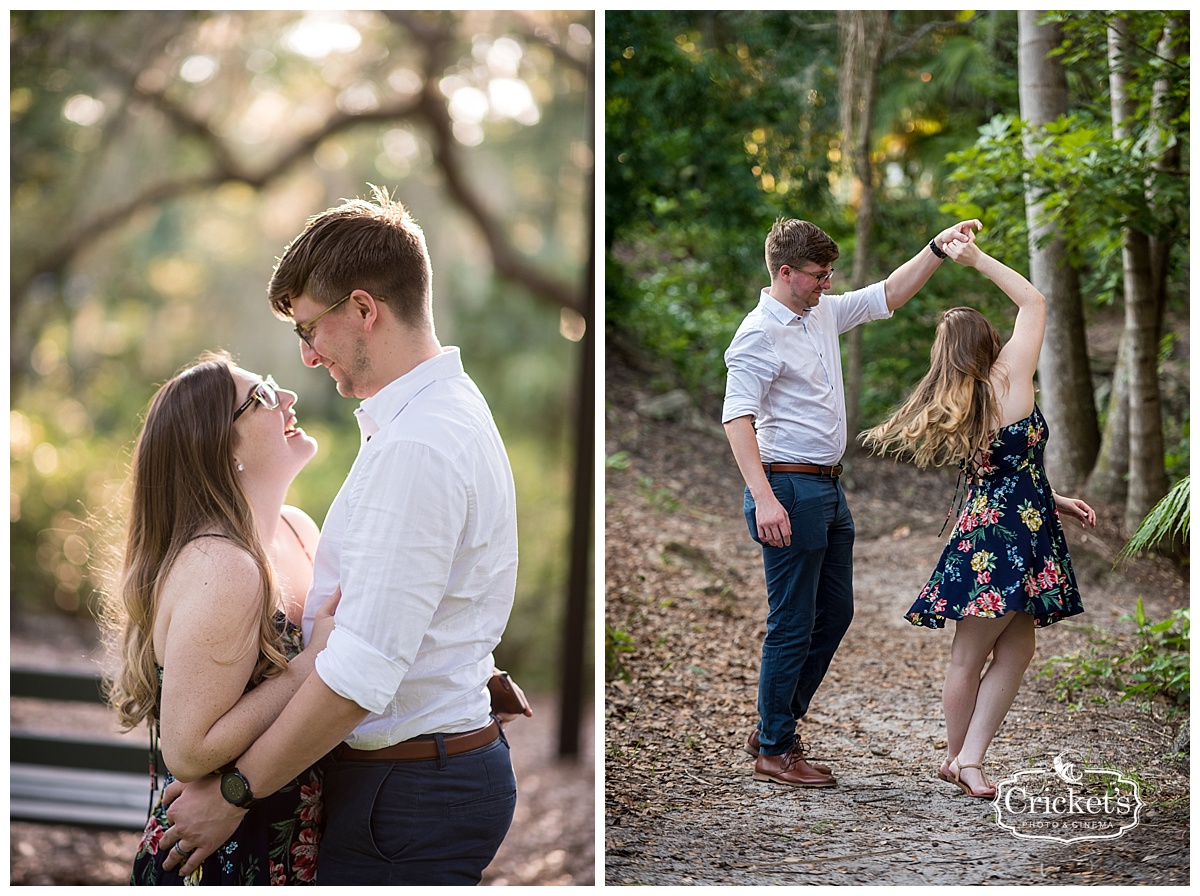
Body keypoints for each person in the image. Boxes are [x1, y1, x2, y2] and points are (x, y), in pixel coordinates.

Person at [158, 187, 521, 885]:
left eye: (308, 329)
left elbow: (358, 674)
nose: (307, 357)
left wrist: (235, 796)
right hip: (417, 777)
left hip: (409, 792)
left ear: (363, 308)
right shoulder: (437, 415)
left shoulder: (419, 444)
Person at [723, 216, 983, 788]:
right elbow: (737, 419)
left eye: (830, 273)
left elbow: (887, 294)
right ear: (785, 272)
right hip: (787, 489)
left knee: (835, 612)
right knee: (792, 621)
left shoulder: (820, 311)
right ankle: (774, 748)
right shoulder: (758, 333)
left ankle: (775, 721)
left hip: (829, 489)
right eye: (818, 275)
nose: (827, 283)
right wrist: (764, 500)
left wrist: (937, 248)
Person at [861, 237, 1094, 798]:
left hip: (1004, 526)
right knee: (972, 655)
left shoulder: (959, 396)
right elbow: (1035, 302)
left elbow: (1005, 467)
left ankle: (963, 757)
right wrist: (977, 261)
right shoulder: (1009, 373)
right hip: (1012, 536)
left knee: (1012, 648)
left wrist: (1053, 496)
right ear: (990, 340)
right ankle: (964, 759)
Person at [103, 351, 337, 884]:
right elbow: (188, 750)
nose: (288, 398)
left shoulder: (298, 531)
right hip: (221, 862)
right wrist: (309, 666)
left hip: (295, 846)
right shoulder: (222, 565)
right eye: (262, 396)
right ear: (220, 447)